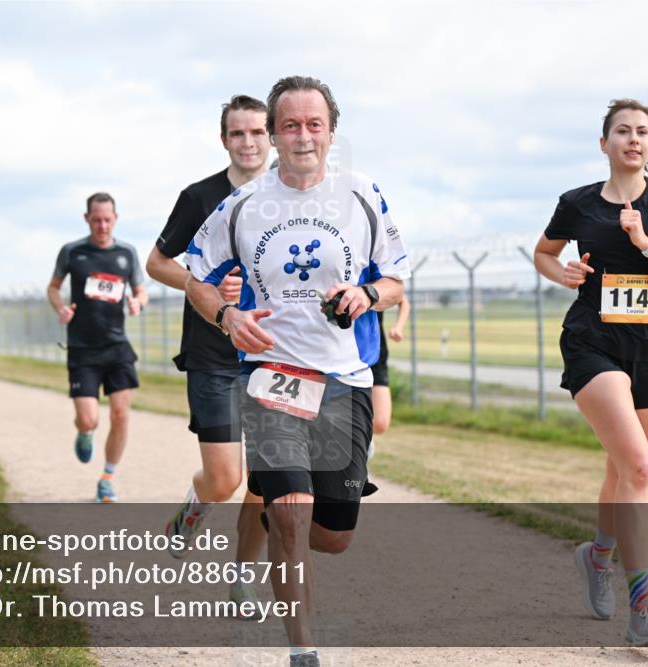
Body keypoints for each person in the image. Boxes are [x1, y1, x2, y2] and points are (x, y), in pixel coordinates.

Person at [186, 76, 409, 667]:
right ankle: (302, 648)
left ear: (331, 132)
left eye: (314, 124)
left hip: (343, 380)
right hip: (271, 373)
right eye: (290, 125)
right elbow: (195, 279)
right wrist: (227, 316)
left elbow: (394, 278)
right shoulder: (243, 205)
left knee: (333, 536)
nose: (302, 136)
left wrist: (368, 295)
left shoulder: (362, 195)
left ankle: (277, 502)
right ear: (275, 133)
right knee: (290, 511)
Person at [533, 99, 648, 647]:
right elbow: (543, 252)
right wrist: (561, 273)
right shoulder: (578, 203)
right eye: (623, 131)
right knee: (637, 467)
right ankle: (644, 607)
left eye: (643, 132)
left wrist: (646, 244)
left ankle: (597, 555)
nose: (634, 139)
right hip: (594, 344)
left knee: (622, 470)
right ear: (603, 143)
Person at [146, 94, 272, 609]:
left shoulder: (293, 198)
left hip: (273, 355)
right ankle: (192, 510)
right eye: (237, 133)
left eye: (257, 132)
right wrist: (203, 284)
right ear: (224, 140)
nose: (248, 142)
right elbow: (156, 263)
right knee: (225, 480)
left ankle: (243, 578)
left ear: (272, 136)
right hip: (212, 355)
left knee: (266, 480)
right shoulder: (199, 197)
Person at [47, 192, 148, 503]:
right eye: (96, 220)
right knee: (89, 419)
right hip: (82, 349)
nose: (102, 226)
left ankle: (107, 477)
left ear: (115, 219)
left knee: (121, 415)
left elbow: (141, 291)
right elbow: (53, 288)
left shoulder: (127, 253)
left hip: (117, 347)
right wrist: (60, 308)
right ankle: (84, 430)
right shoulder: (72, 251)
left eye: (107, 220)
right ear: (86, 219)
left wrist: (138, 303)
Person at [369, 297, 410, 438]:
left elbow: (402, 300)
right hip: (334, 354)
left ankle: (364, 439)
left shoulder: (375, 281)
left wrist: (398, 327)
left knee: (380, 423)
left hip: (374, 355)